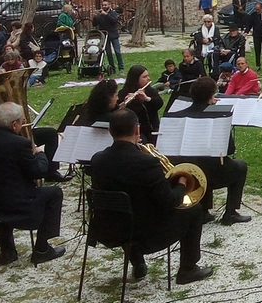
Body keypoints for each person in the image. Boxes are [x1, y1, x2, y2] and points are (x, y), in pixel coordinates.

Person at [89, 109, 213, 285]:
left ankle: (138, 262)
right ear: (137, 130)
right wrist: (181, 184)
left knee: (129, 208)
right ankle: (188, 269)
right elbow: (170, 201)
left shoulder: (98, 159)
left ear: (110, 131)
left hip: (108, 230)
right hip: (146, 235)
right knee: (195, 209)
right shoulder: (147, 163)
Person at [0, 102, 66, 265]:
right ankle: (42, 249)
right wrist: (39, 154)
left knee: (0, 190)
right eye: (21, 121)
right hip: (13, 207)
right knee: (54, 193)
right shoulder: (19, 144)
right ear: (14, 124)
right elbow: (37, 171)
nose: (22, 124)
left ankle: (7, 250)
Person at [166, 77, 251, 225]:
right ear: (212, 96)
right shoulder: (218, 115)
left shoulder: (176, 114)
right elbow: (229, 149)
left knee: (200, 160)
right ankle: (230, 213)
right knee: (240, 165)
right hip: (211, 173)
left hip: (185, 172)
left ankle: (204, 211)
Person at [118, 65, 163, 143]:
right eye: (144, 77)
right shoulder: (123, 93)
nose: (148, 78)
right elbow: (118, 112)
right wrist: (126, 103)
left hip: (152, 129)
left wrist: (146, 99)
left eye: (148, 76)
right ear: (135, 79)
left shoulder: (150, 91)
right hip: (134, 132)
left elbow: (159, 103)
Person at [93, 0, 124, 72]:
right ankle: (112, 68)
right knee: (108, 53)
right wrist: (95, 17)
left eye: (105, 5)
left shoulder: (113, 13)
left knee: (117, 52)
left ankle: (121, 67)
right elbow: (95, 24)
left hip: (113, 35)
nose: (104, 6)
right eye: (103, 5)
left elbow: (114, 21)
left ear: (109, 5)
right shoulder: (100, 15)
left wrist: (106, 15)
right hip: (105, 36)